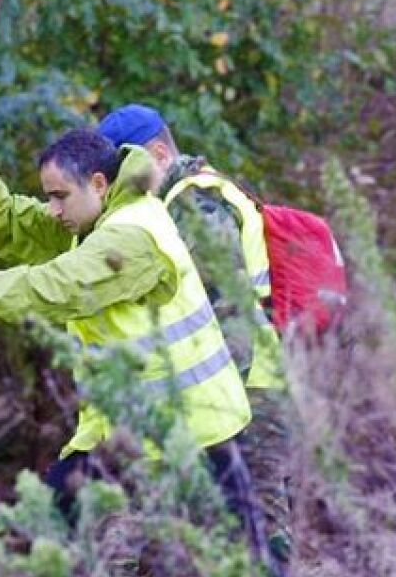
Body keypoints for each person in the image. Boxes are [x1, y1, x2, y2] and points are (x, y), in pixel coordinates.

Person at [0, 89, 259, 543]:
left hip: (201, 436)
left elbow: (55, 288)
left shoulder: (134, 235)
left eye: (58, 197)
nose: (52, 209)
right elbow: (8, 225)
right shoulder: (90, 218)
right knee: (55, 538)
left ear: (99, 184)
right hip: (126, 437)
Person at [98, 104, 293, 566]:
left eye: (124, 168)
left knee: (258, 533)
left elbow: (218, 307)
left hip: (247, 391)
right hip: (230, 392)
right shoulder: (179, 201)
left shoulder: (196, 203)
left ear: (159, 154)